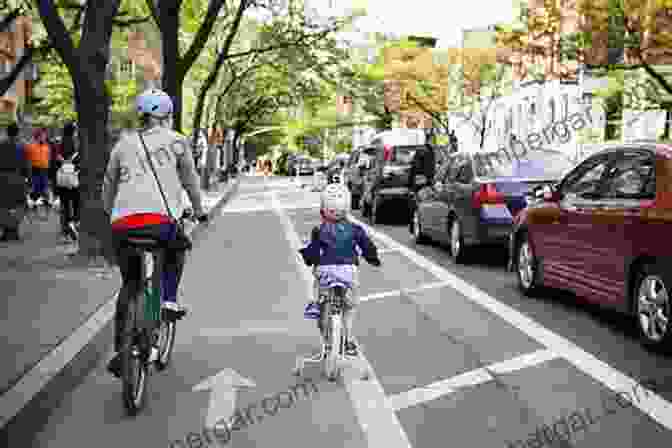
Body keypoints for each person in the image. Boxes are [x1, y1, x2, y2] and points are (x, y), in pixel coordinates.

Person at [102, 88, 208, 378]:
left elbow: (108, 186)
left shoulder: (123, 144)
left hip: (123, 225)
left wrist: (110, 213)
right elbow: (191, 181)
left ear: (142, 115)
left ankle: (120, 351)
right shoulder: (177, 142)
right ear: (167, 115)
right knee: (177, 248)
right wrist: (198, 211)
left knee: (130, 283)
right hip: (161, 223)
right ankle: (168, 301)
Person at [298, 184, 382, 356]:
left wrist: (308, 259)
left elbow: (312, 253)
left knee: (318, 288)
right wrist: (373, 260)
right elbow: (368, 248)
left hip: (325, 272)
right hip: (348, 272)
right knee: (350, 307)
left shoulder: (319, 230)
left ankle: (316, 305)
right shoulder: (356, 229)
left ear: (323, 208)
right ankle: (349, 340)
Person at [0, 123, 30, 241]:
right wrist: (27, 178)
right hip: (17, 178)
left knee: (4, 205)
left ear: (7, 132)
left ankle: (7, 231)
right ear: (17, 133)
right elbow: (26, 165)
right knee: (17, 205)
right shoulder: (22, 146)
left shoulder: (1, 145)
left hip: (2, 177)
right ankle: (14, 230)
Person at [53, 122, 80, 242]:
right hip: (74, 178)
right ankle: (73, 226)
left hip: (62, 178)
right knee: (75, 203)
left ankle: (65, 230)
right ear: (73, 132)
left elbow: (54, 162)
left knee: (64, 205)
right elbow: (79, 161)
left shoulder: (58, 145)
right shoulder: (76, 145)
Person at [24, 128, 51, 206]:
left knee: (44, 187)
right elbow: (28, 160)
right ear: (37, 136)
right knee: (36, 188)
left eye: (45, 135)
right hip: (35, 169)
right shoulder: (30, 146)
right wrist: (28, 173)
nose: (44, 137)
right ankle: (33, 200)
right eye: (42, 135)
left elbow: (48, 158)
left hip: (44, 170)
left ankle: (45, 200)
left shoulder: (47, 147)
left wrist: (48, 168)